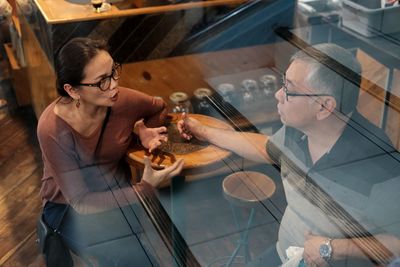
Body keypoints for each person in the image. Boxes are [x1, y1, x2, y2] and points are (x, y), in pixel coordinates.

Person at [178, 43, 400, 266]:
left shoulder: (379, 165)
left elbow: (397, 243)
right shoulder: (298, 130)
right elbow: (264, 147)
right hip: (284, 254)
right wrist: (203, 131)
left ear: (324, 106)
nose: (278, 94)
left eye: (289, 89)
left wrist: (332, 249)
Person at [37, 37, 184, 266]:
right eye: (102, 81)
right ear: (72, 90)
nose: (114, 84)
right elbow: (81, 202)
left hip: (116, 192)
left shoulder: (122, 100)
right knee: (133, 259)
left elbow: (159, 106)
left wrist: (143, 131)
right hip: (68, 207)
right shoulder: (52, 129)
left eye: (114, 71)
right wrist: (144, 188)